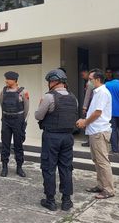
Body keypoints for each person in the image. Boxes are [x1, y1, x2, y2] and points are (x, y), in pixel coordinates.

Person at [35, 69, 78, 211]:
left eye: (49, 82)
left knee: (48, 168)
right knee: (66, 168)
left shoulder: (49, 97)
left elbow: (39, 116)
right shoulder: (73, 98)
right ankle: (66, 200)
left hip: (52, 137)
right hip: (67, 137)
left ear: (53, 81)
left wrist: (40, 105)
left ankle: (50, 200)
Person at [76, 68, 115, 199]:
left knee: (102, 161)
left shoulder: (102, 92)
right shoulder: (97, 92)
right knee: (97, 160)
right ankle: (101, 185)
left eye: (90, 80)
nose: (88, 82)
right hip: (95, 131)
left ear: (97, 80)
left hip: (99, 131)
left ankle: (108, 189)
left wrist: (85, 122)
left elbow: (97, 113)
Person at [0, 71, 29, 177]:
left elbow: (26, 109)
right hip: (6, 120)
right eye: (6, 78)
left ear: (14, 80)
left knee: (18, 145)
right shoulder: (3, 91)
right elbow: (1, 104)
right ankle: (4, 167)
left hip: (18, 120)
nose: (6, 81)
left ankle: (19, 167)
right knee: (5, 144)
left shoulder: (23, 92)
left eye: (8, 79)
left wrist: (22, 122)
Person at [81, 68, 93, 147]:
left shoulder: (89, 83)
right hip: (92, 105)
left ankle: (90, 141)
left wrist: (84, 107)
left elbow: (87, 96)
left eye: (82, 75)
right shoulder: (92, 83)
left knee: (88, 123)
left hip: (90, 106)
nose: (82, 77)